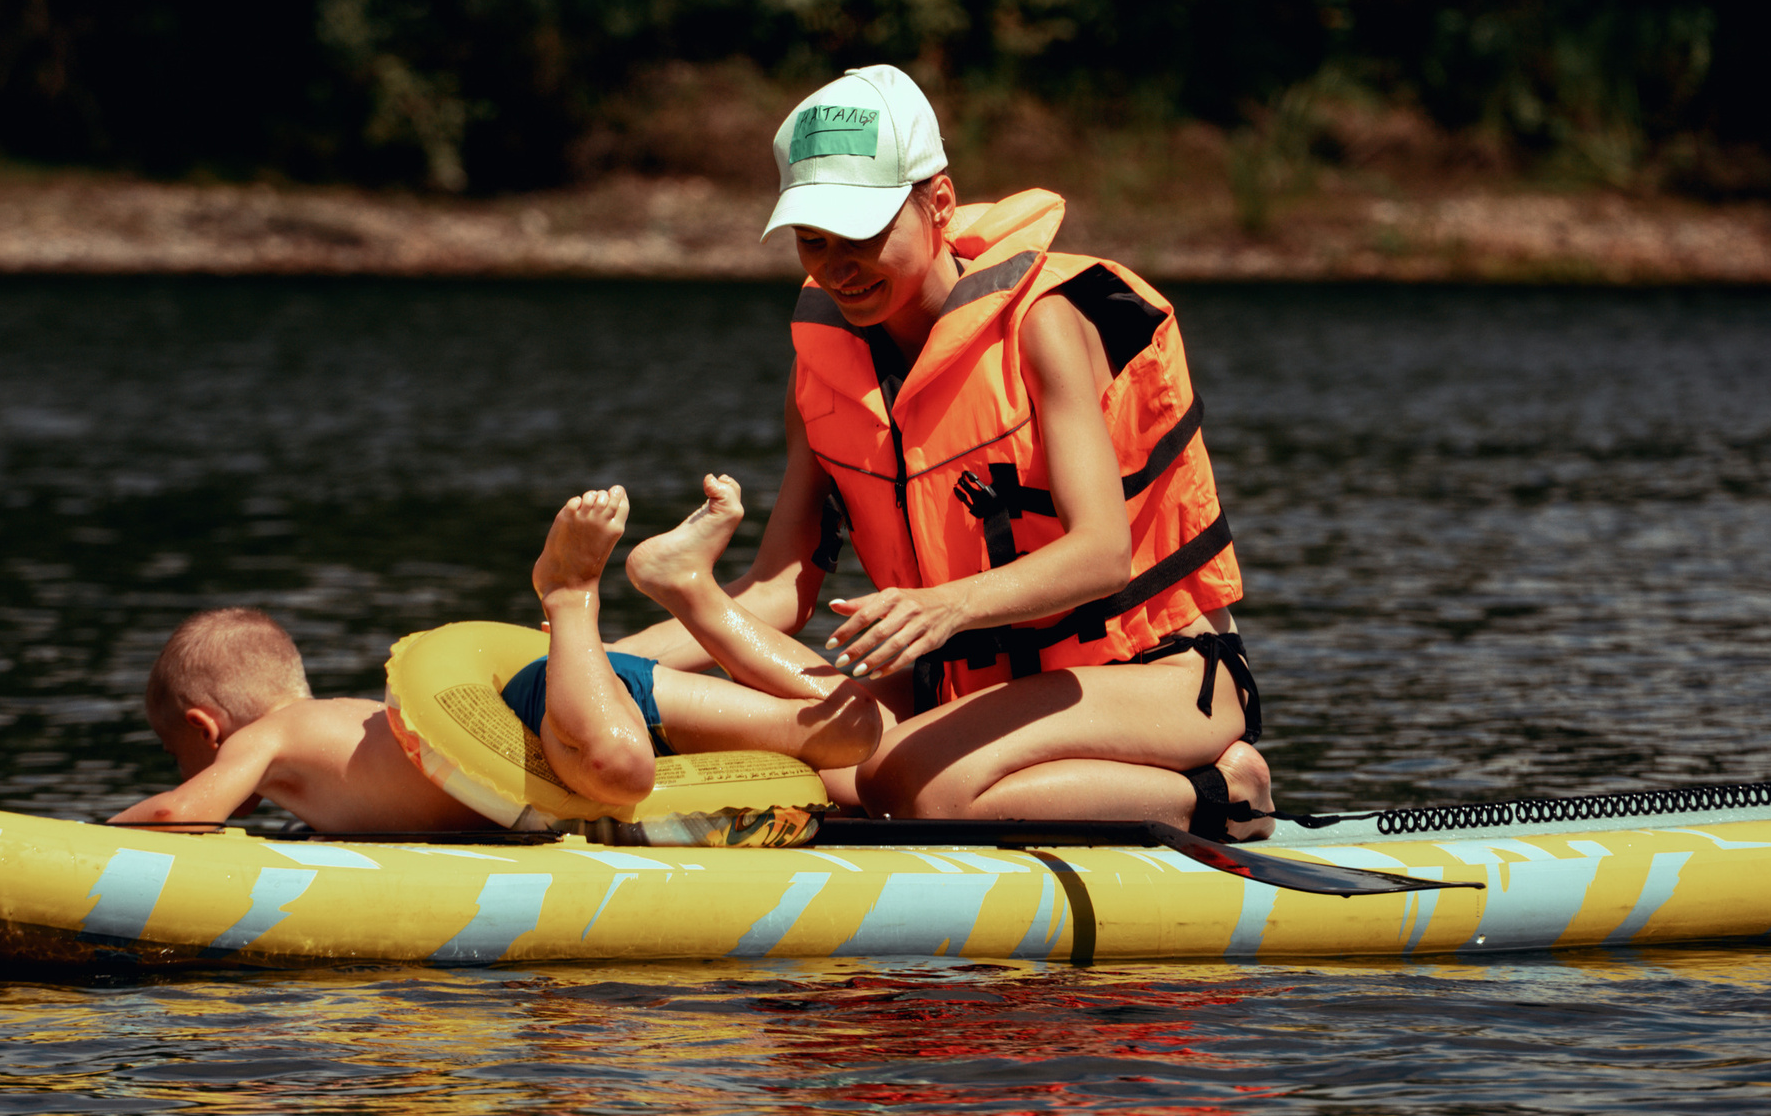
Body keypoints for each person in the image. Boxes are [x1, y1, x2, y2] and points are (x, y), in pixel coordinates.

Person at [612, 64, 1277, 839]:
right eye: (813, 240)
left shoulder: (1043, 325)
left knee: (910, 786)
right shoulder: (822, 369)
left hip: (1154, 676)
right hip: (965, 684)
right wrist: (595, 661)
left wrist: (946, 605)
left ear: (939, 204)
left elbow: (1102, 556)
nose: (836, 265)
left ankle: (1218, 790)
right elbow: (775, 592)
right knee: (783, 747)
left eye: (863, 233)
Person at [111, 486, 886, 828]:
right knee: (852, 736)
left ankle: (569, 591)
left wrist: (81, 840)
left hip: (548, 710)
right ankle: (686, 585)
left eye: (178, 751)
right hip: (569, 695)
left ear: (204, 727)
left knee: (619, 767)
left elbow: (184, 815)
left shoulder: (263, 741)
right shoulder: (330, 728)